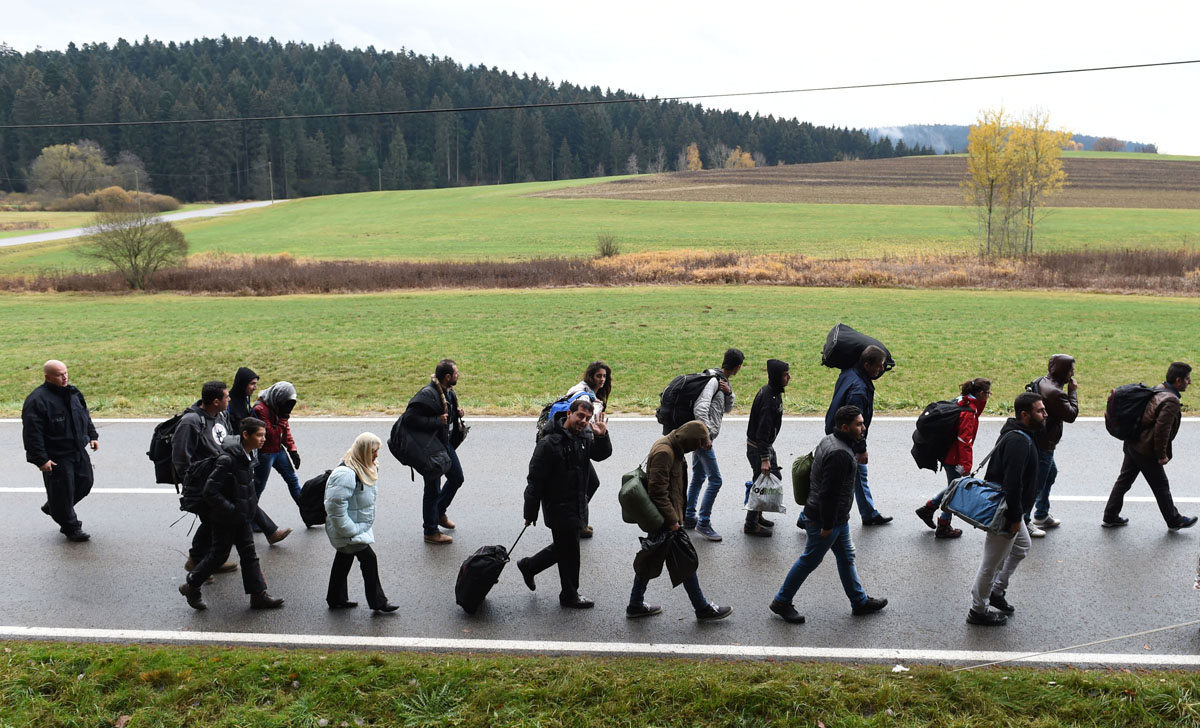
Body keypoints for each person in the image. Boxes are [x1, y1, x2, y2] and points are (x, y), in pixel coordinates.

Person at [769, 406, 888, 624]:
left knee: (846, 556)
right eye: (859, 424)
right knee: (809, 560)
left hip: (835, 517)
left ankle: (859, 601)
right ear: (845, 427)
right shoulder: (840, 454)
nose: (864, 427)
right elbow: (829, 493)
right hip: (826, 519)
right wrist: (827, 525)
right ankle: (782, 601)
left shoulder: (830, 440)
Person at [174, 381, 289, 573]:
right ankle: (197, 566)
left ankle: (208, 562)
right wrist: (193, 484)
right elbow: (180, 458)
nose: (229, 399)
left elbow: (227, 442)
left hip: (224, 477)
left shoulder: (221, 416)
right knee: (212, 522)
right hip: (205, 483)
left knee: (222, 518)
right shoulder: (190, 422)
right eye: (226, 397)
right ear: (216, 401)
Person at [627, 420, 733, 621]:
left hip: (666, 517)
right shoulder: (665, 452)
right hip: (665, 519)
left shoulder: (675, 447)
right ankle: (702, 608)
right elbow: (657, 492)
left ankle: (635, 604)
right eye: (700, 443)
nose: (703, 446)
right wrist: (673, 520)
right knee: (684, 561)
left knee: (650, 559)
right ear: (690, 440)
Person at [178, 417, 285, 611]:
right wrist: (231, 510)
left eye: (264, 435)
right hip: (225, 519)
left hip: (241, 517)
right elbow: (210, 491)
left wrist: (247, 511)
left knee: (249, 555)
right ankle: (191, 586)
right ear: (246, 435)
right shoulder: (227, 460)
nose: (263, 439)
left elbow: (244, 488)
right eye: (259, 435)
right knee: (218, 556)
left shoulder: (248, 455)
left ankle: (258, 595)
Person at [518, 398, 612, 608]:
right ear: (569, 414)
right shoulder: (548, 444)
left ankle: (529, 566)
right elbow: (535, 480)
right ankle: (569, 595)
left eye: (587, 418)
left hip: (576, 502)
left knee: (566, 546)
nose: (583, 421)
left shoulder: (585, 435)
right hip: (558, 506)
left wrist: (602, 436)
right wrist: (530, 512)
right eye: (580, 416)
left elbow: (601, 455)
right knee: (571, 552)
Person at [967, 392, 1046, 626]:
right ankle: (978, 610)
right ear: (1025, 415)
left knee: (1022, 546)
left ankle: (996, 591)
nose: (1045, 414)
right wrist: (1014, 517)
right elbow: (1012, 483)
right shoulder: (1018, 441)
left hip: (1013, 509)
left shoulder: (1022, 433)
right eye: (1040, 410)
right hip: (1005, 511)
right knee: (991, 564)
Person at [1103, 362, 1197, 531]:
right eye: (1187, 379)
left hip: (1133, 443)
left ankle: (1110, 516)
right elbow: (1162, 430)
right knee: (1161, 485)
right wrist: (1161, 455)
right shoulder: (1171, 400)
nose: (1189, 382)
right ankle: (1174, 520)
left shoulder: (1160, 388)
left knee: (1124, 481)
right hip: (1145, 449)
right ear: (1178, 380)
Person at [22, 360, 98, 542]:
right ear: (47, 377)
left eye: (65, 373)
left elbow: (84, 415)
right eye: (59, 375)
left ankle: (54, 507)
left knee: (85, 482)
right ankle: (71, 527)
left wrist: (92, 435)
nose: (64, 377)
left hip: (77, 450)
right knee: (63, 492)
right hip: (56, 455)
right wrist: (41, 459)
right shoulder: (37, 400)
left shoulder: (73, 393)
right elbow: (32, 433)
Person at [324, 432, 398, 613]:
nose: (376, 455)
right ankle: (378, 602)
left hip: (354, 527)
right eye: (373, 451)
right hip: (349, 529)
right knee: (369, 559)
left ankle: (335, 598)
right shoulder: (346, 474)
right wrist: (350, 530)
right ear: (363, 450)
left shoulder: (363, 465)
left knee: (344, 557)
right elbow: (335, 507)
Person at [914, 378, 991, 539]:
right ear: (980, 393)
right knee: (955, 491)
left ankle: (929, 508)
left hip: (947, 452)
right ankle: (943, 524)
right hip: (954, 458)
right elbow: (964, 441)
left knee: (953, 487)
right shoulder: (968, 413)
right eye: (988, 393)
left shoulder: (962, 401)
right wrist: (966, 466)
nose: (989, 396)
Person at [824, 346, 892, 526]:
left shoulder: (849, 373)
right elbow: (856, 425)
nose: (881, 370)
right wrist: (861, 449)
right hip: (847, 440)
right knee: (835, 481)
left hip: (836, 433)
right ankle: (807, 517)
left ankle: (869, 513)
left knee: (856, 476)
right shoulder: (859, 391)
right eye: (879, 365)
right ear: (867, 365)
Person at [404, 359, 467, 544]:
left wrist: (456, 413)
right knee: (432, 488)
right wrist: (436, 421)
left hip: (444, 444)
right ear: (447, 376)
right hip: (430, 448)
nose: (458, 375)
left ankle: (438, 512)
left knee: (457, 478)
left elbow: (446, 415)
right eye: (456, 373)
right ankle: (430, 530)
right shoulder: (428, 394)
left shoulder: (448, 392)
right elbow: (409, 418)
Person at [684, 348, 743, 542]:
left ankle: (689, 516)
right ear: (737, 367)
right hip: (703, 438)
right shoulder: (712, 381)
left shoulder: (723, 382)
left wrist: (729, 393)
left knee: (699, 476)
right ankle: (703, 521)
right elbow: (700, 408)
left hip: (704, 437)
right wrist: (705, 436)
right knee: (716, 480)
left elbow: (728, 408)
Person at [1025, 355, 1079, 537]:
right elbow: (1071, 415)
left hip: (1040, 439)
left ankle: (1041, 513)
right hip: (1044, 443)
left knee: (1050, 474)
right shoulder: (1055, 392)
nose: (1072, 374)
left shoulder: (1042, 381)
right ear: (1062, 370)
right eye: (1071, 370)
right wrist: (1072, 392)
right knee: (1037, 483)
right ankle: (1024, 521)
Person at [565, 360, 612, 539]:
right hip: (575, 445)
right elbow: (582, 423)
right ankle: (577, 523)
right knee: (589, 484)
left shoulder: (590, 393)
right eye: (599, 376)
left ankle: (578, 521)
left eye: (604, 376)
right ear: (590, 376)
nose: (602, 379)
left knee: (589, 484)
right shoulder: (584, 396)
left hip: (578, 444)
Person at [745, 358, 788, 537]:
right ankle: (751, 523)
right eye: (785, 375)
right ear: (777, 376)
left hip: (764, 446)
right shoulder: (768, 399)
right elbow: (762, 431)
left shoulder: (773, 392)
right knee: (760, 484)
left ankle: (758, 515)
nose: (789, 378)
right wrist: (764, 458)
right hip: (759, 447)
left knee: (770, 478)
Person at [253, 381, 303, 505]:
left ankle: (308, 511)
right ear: (279, 398)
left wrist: (292, 450)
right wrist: (283, 418)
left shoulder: (278, 406)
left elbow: (285, 430)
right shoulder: (259, 409)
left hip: (278, 450)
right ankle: (248, 513)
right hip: (265, 453)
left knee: (293, 481)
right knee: (258, 486)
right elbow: (270, 433)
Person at [227, 367, 259, 434]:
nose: (255, 388)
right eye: (252, 384)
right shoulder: (227, 403)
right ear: (243, 384)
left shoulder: (244, 400)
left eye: (256, 384)